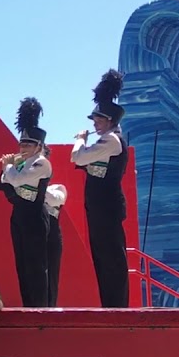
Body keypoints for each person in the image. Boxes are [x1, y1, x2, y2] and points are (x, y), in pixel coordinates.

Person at [72, 70, 129, 308]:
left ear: (110, 121)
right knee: (102, 257)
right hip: (98, 207)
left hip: (107, 206)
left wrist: (80, 139)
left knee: (112, 257)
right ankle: (109, 303)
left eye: (99, 120)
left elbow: (77, 157)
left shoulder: (111, 141)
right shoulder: (104, 141)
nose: (95, 124)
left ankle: (117, 306)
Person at [0, 97, 52, 307]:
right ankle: (28, 305)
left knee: (36, 265)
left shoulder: (41, 163)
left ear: (39, 146)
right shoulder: (20, 164)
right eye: (21, 143)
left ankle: (40, 308)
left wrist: (7, 166)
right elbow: (5, 183)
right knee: (21, 264)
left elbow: (15, 179)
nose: (23, 147)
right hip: (19, 213)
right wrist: (9, 168)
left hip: (35, 216)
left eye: (28, 144)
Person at [45, 177, 67, 307]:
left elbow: (55, 199)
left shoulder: (58, 188)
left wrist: (35, 183)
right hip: (34, 235)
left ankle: (50, 307)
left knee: (51, 276)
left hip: (51, 237)